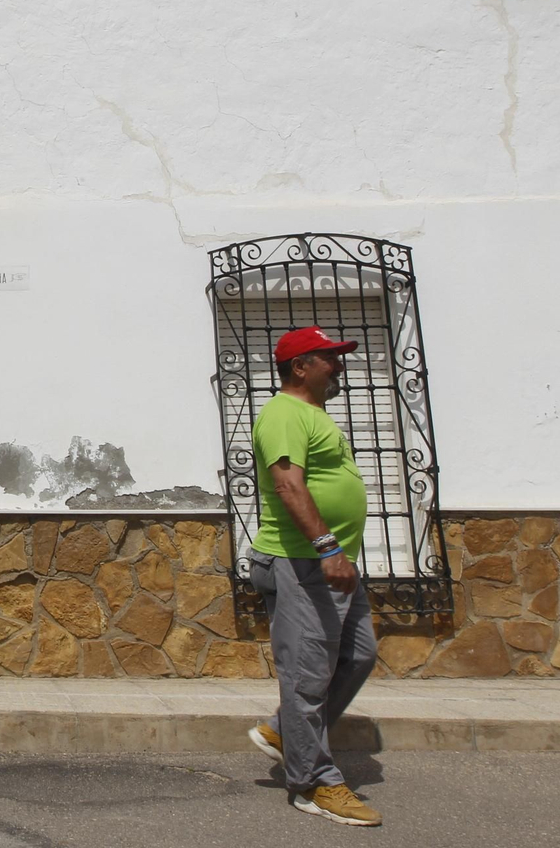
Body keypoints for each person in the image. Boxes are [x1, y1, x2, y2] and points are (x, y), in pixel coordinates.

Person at [246, 326, 381, 828]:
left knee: (358, 654)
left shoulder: (312, 413)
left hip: (331, 560)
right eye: (329, 357)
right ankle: (314, 783)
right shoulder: (283, 413)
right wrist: (327, 547)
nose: (339, 364)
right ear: (301, 366)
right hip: (305, 562)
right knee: (307, 679)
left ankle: (286, 732)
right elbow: (287, 484)